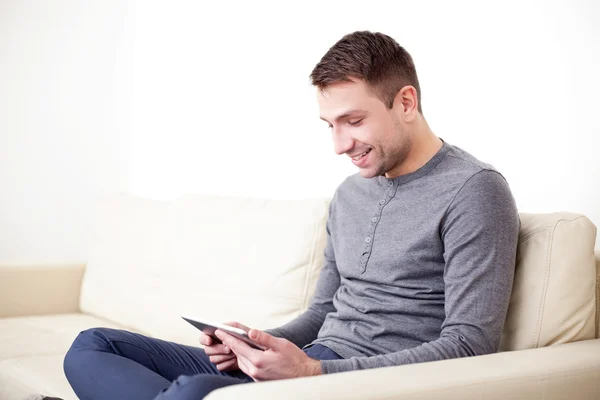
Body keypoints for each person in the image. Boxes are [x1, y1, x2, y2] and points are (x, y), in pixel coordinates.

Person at [61, 31, 520, 400]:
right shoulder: (349, 194)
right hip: (308, 366)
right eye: (330, 126)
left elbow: (469, 345)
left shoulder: (474, 190)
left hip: (356, 382)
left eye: (353, 121)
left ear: (405, 102)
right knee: (94, 345)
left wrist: (312, 370)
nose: (339, 145)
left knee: (196, 392)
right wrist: (256, 343)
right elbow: (323, 311)